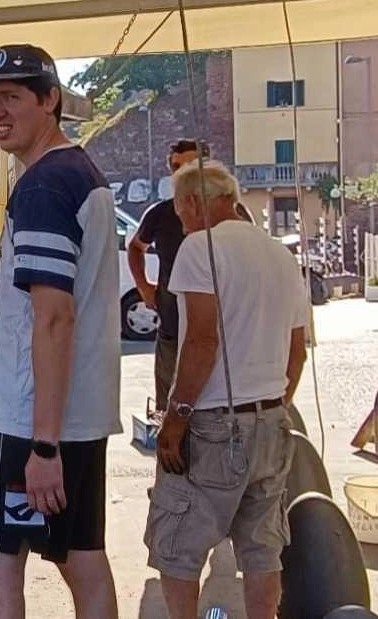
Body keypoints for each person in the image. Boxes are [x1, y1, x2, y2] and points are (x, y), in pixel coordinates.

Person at [0, 44, 121, 618]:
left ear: (50, 100)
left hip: (37, 424)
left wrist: (43, 446)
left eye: (11, 98)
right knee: (82, 560)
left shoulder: (45, 187)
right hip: (75, 417)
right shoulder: (81, 174)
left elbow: (54, 317)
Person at [145, 161, 307, 619]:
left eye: (179, 211)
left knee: (177, 546)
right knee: (261, 549)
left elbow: (200, 339)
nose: (181, 221)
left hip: (215, 423)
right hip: (273, 417)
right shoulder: (280, 254)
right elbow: (297, 353)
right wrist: (272, 408)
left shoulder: (200, 247)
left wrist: (175, 420)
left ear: (194, 202)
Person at [129, 139, 206, 414]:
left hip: (221, 334)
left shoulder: (229, 213)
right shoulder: (160, 213)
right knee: (168, 412)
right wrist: (144, 288)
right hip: (172, 327)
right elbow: (136, 247)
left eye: (189, 166)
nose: (182, 173)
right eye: (176, 167)